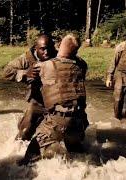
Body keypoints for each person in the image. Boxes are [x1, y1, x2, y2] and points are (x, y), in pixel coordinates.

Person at [18, 34, 89, 165]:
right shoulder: (82, 65)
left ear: (60, 46)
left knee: (33, 150)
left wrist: (24, 73)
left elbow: (25, 75)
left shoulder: (45, 66)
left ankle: (22, 171)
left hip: (59, 120)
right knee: (78, 155)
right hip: (79, 120)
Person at [4, 34, 57, 140]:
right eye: (42, 49)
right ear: (35, 48)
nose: (46, 52)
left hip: (56, 100)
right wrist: (24, 73)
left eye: (49, 48)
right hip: (37, 101)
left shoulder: (59, 55)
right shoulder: (27, 58)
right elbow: (7, 72)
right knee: (24, 132)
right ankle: (16, 152)